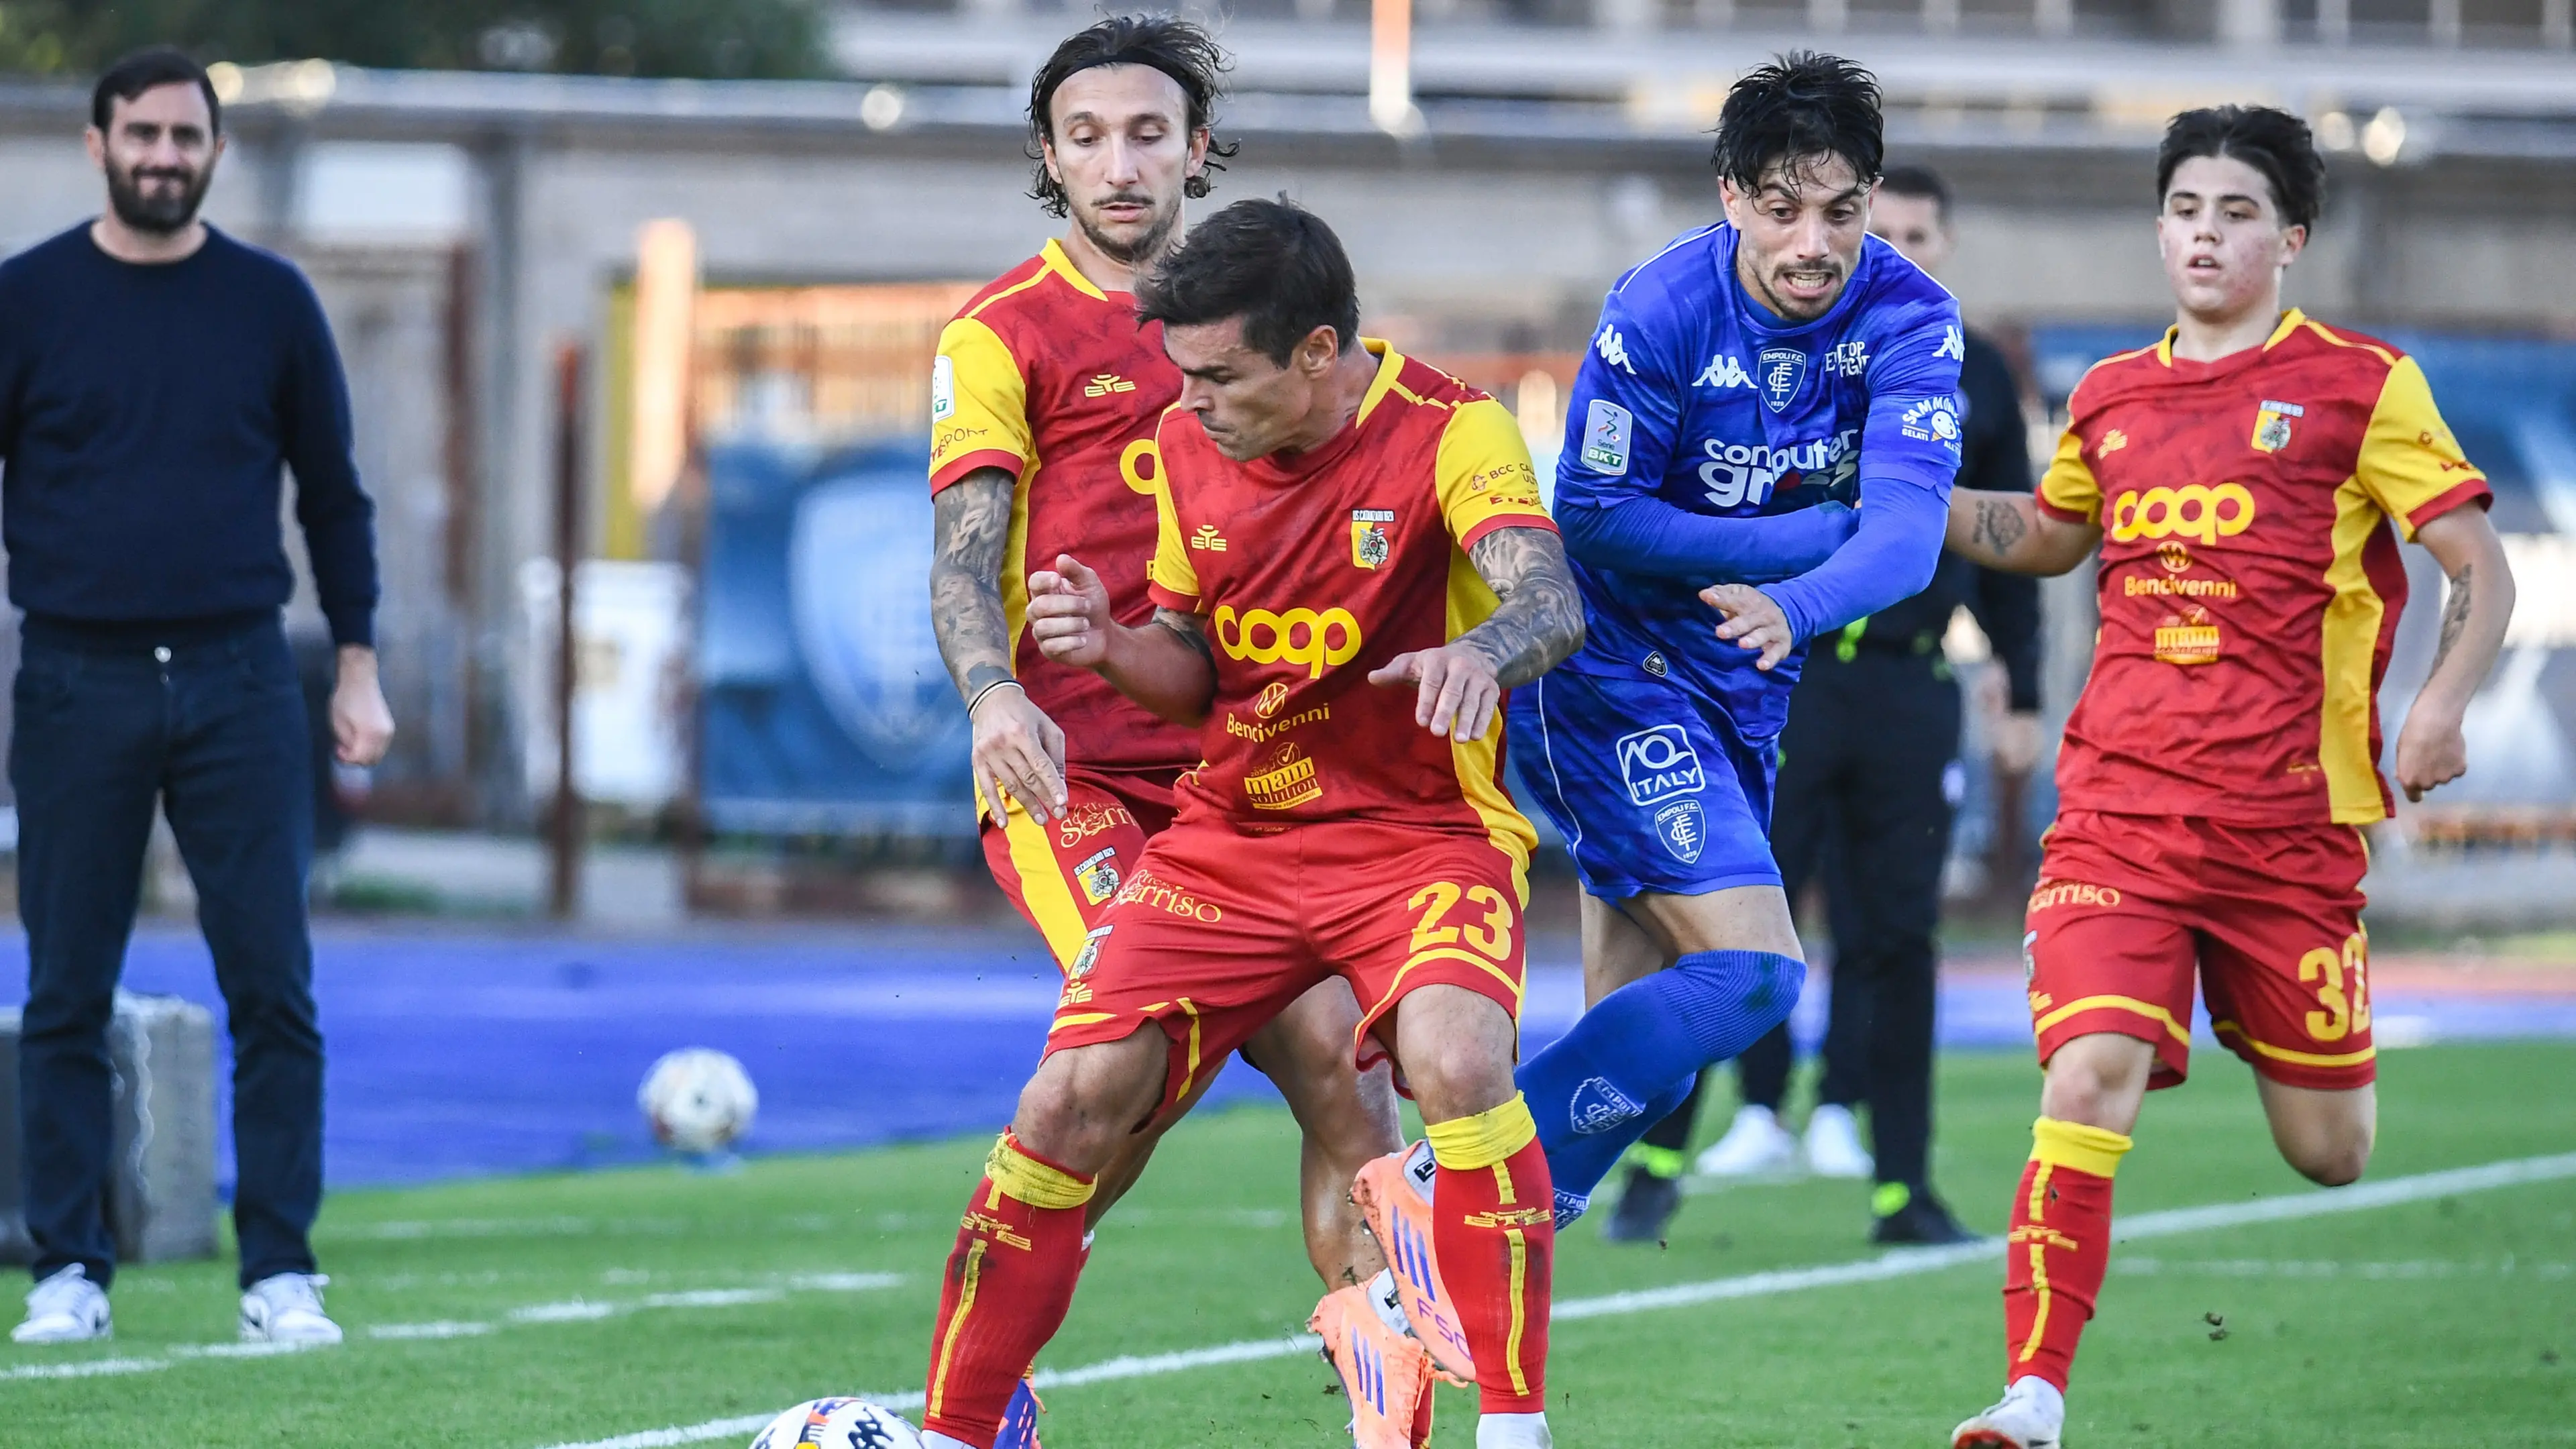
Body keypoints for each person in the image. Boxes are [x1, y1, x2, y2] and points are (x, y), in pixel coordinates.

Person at [914, 198, 1582, 1449]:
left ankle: (1512, 1427)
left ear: (1318, 352)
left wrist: (1483, 652)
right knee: (1068, 1100)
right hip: (1234, 841)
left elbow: (1551, 599)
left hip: (1420, 833)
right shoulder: (1185, 443)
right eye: (1182, 373)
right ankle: (951, 1433)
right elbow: (1198, 670)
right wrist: (1110, 646)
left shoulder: (1455, 430)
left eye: (1220, 375)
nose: (1190, 401)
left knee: (1456, 1063)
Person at [1354, 52, 1966, 1377]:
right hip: (1612, 670)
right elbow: (1592, 518)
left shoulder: (1914, 318)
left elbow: (1910, 539)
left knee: (1649, 1058)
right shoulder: (1662, 307)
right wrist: (1801, 542)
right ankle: (1436, 1182)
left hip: (1745, 683)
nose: (1813, 245)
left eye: (1842, 211)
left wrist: (1795, 604)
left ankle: (1403, 1309)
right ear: (1731, 196)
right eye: (1783, 211)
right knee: (1755, 974)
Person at [1941, 105, 2513, 1449]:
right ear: (2159, 229)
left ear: (2291, 238)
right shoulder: (2108, 395)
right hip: (2118, 815)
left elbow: (2478, 566)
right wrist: (1904, 505)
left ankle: (2255, 1021)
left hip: (2288, 832)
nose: (2206, 235)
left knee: (2332, 1154)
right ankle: (2032, 1396)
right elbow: (2050, 534)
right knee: (2086, 1075)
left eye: (2238, 213)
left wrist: (2440, 703)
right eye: (2186, 210)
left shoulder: (2363, 384)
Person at [922, 21, 1409, 1443]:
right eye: (1087, 137)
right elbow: (963, 560)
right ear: (1049, 156)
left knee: (1344, 1070)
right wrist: (994, 694)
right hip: (1071, 772)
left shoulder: (1268, 316)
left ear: (1198, 149)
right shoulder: (1002, 332)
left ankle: (1382, 1400)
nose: (1120, 164)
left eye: (1148, 134)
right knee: (1122, 1059)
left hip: (1249, 773)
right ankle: (978, 1394)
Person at [1, 47, 393, 1346]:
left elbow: (333, 496)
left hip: (240, 679)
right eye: (142, 134)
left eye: (185, 136)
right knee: (66, 988)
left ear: (216, 150)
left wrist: (356, 663)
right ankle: (70, 1268)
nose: (163, 156)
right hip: (75, 678)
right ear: (98, 146)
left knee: (273, 985)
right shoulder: (26, 300)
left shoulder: (271, 303)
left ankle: (279, 1269)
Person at [1603, 162, 2042, 1248]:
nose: (1891, 251)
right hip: (1769, 673)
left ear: (1943, 245)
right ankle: (1657, 1160)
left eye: (1915, 235)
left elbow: (2010, 542)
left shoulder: (1969, 369)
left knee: (1899, 935)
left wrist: (2021, 683)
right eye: (1881, 231)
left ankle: (1903, 1187)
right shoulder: (1765, 347)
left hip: (1905, 680)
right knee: (1721, 922)